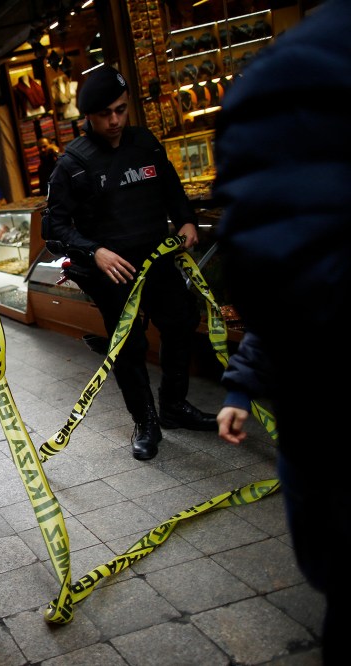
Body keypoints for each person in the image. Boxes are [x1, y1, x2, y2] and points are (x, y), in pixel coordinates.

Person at [213, 0, 351, 660]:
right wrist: (241, 387)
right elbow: (290, 277)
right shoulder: (302, 80)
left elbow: (281, 279)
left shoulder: (282, 78)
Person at [41, 64, 217, 462]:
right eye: (106, 113)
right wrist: (95, 252)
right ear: (87, 116)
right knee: (129, 346)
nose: (115, 120)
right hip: (113, 272)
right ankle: (146, 421)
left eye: (121, 109)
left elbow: (171, 190)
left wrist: (187, 219)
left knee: (180, 321)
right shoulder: (73, 164)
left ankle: (173, 406)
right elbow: (54, 229)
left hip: (157, 259)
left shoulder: (146, 144)